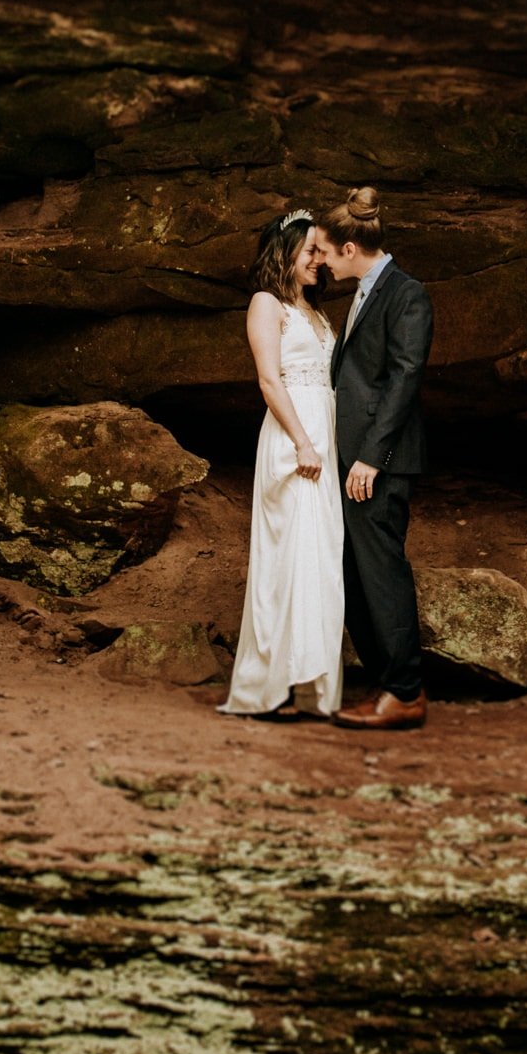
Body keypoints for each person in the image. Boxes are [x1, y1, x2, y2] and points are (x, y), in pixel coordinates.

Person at [313, 187, 433, 732]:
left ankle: (405, 692)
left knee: (381, 574)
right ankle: (388, 685)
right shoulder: (365, 289)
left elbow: (404, 380)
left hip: (376, 464)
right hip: (351, 459)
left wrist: (371, 458)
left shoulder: (407, 294)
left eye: (324, 252)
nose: (318, 262)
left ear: (350, 247)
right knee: (355, 575)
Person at [218, 210, 345, 719]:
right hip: (295, 440)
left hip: (325, 437)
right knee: (289, 556)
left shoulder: (316, 312)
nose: (319, 260)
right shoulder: (265, 304)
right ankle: (269, 685)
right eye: (311, 250)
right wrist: (303, 444)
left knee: (321, 558)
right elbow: (270, 381)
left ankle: (312, 686)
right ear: (286, 250)